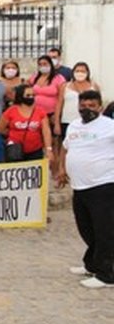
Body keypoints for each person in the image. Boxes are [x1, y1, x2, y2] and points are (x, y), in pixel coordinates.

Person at [57, 90, 114, 288]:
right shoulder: (74, 125)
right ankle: (92, 264)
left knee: (104, 229)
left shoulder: (109, 126)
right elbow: (65, 148)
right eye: (83, 105)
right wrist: (61, 168)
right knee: (86, 228)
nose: (87, 109)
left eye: (91, 106)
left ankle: (107, 274)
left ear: (99, 106)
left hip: (103, 185)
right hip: (80, 186)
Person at [0, 84, 54, 162]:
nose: (31, 97)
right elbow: (0, 128)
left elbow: (46, 131)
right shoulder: (11, 111)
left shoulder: (40, 112)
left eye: (33, 95)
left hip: (35, 150)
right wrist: (12, 134)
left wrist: (48, 149)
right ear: (21, 96)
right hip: (15, 150)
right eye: (28, 95)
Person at [29, 55, 65, 168]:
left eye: (45, 64)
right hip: (36, 114)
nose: (43, 66)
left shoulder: (58, 78)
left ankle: (55, 169)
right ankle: (41, 166)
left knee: (54, 143)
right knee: (39, 141)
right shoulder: (34, 77)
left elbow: (60, 99)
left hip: (51, 114)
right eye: (40, 64)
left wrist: (57, 117)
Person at [55, 62, 100, 143]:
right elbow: (59, 105)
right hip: (67, 121)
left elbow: (99, 105)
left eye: (83, 71)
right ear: (73, 72)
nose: (80, 73)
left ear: (87, 73)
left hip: (89, 121)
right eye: (77, 71)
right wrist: (57, 123)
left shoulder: (94, 86)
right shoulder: (65, 86)